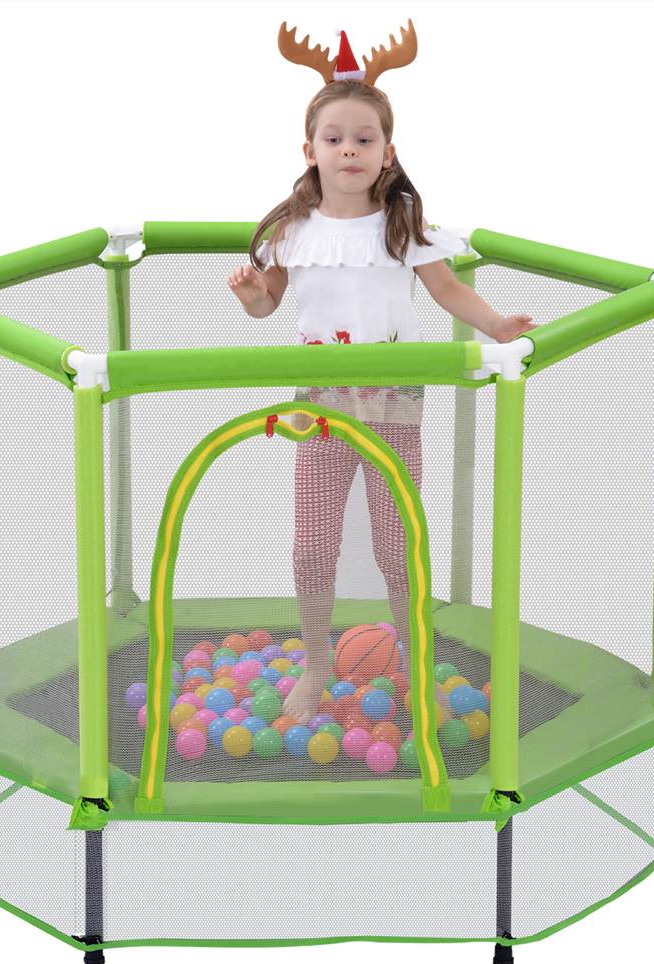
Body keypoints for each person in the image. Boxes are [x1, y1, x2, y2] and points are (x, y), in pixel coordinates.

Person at [227, 79, 535, 724]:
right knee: (313, 545)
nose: (349, 150)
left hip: (392, 404)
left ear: (387, 152)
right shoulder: (294, 230)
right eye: (334, 138)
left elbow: (448, 290)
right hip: (321, 407)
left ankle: (417, 661)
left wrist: (495, 325)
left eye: (364, 139)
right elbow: (269, 303)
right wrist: (253, 295)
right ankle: (316, 666)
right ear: (310, 151)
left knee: (399, 544)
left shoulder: (401, 224)